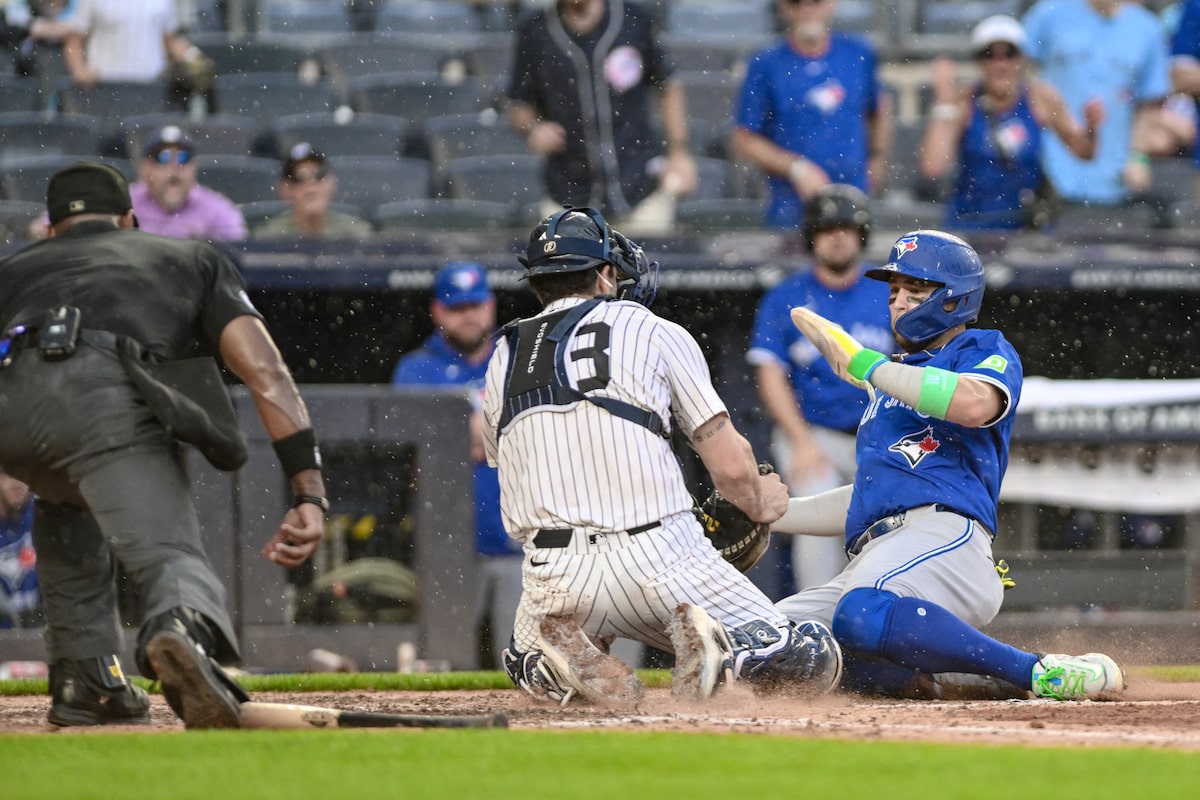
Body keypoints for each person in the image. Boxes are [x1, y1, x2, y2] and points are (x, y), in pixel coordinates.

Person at [0, 161, 328, 728]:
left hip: (10, 402)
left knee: (65, 499)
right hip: (99, 393)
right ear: (130, 219)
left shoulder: (12, 268)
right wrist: (308, 490)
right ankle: (178, 628)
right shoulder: (187, 257)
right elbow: (266, 373)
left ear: (50, 230)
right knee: (170, 557)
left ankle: (86, 678)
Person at [482, 206, 842, 709]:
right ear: (605, 274)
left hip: (553, 570)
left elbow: (507, 467)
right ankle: (731, 655)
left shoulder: (503, 355)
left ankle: (548, 666)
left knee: (526, 662)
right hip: (659, 558)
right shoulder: (650, 327)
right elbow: (732, 467)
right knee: (808, 660)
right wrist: (760, 502)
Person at [773, 228, 1126, 701]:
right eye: (894, 291)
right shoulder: (890, 383)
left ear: (955, 299)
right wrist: (772, 514)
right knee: (769, 641)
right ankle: (947, 680)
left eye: (915, 291)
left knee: (863, 614)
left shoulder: (980, 349)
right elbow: (868, 497)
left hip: (945, 541)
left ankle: (1036, 671)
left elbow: (974, 404)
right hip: (878, 555)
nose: (898, 303)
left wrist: (866, 366)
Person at [746, 184, 891, 593]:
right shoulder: (787, 297)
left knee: (895, 522)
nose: (838, 236)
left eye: (847, 227)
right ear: (812, 235)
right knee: (817, 517)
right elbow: (770, 374)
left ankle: (883, 622)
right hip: (814, 435)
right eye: (828, 228)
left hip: (875, 436)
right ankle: (816, 630)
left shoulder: (887, 292)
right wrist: (802, 442)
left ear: (862, 234)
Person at [391, 260, 519, 669]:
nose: (468, 315)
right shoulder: (416, 367)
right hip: (445, 544)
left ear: (492, 306)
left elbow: (542, 437)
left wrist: (470, 434)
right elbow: (427, 448)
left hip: (517, 544)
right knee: (445, 669)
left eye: (475, 305)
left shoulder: (514, 359)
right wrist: (497, 432)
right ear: (437, 311)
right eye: (457, 307)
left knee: (523, 667)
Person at [505, 0, 699, 236]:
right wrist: (533, 128)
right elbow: (518, 104)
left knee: (644, 270)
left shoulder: (633, 19)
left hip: (640, 189)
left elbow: (668, 85)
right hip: (567, 194)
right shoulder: (535, 30)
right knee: (566, 271)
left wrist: (679, 152)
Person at [920, 15, 1102, 231]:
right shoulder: (963, 102)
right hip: (971, 224)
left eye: (1009, 54)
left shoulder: (1041, 98)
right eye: (990, 55)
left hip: (1025, 226)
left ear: (1022, 59)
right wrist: (943, 102)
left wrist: (1092, 128)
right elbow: (933, 167)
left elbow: (1084, 152)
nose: (1001, 64)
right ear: (979, 61)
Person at [731, 0, 891, 230]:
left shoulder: (859, 54)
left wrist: (877, 157)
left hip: (854, 198)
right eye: (796, 2)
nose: (807, 8)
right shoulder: (765, 63)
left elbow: (879, 108)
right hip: (791, 205)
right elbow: (744, 138)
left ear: (831, 4)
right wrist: (797, 169)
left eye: (816, 1)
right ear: (783, 6)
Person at [1021, 0, 1169, 205]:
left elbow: (1149, 102)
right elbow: (1017, 71)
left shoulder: (1147, 28)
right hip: (1050, 174)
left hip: (1115, 177)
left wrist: (1139, 157)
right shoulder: (1049, 13)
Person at [60, 0, 212, 91]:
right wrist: (79, 70)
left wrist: (193, 57)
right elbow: (74, 40)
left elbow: (169, 40)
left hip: (151, 89)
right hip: (106, 90)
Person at [132, 125, 247, 241]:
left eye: (183, 157)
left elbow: (237, 251)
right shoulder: (126, 204)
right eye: (163, 157)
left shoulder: (219, 210)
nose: (174, 166)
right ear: (145, 168)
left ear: (194, 168)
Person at [253, 143, 374, 242]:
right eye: (299, 179)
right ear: (284, 189)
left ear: (332, 183)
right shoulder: (268, 239)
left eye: (319, 176)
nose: (311, 188)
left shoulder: (356, 234)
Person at [0, 470, 39, 629]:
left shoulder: (41, 513)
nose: (17, 483)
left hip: (38, 633)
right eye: (9, 474)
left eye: (23, 474)